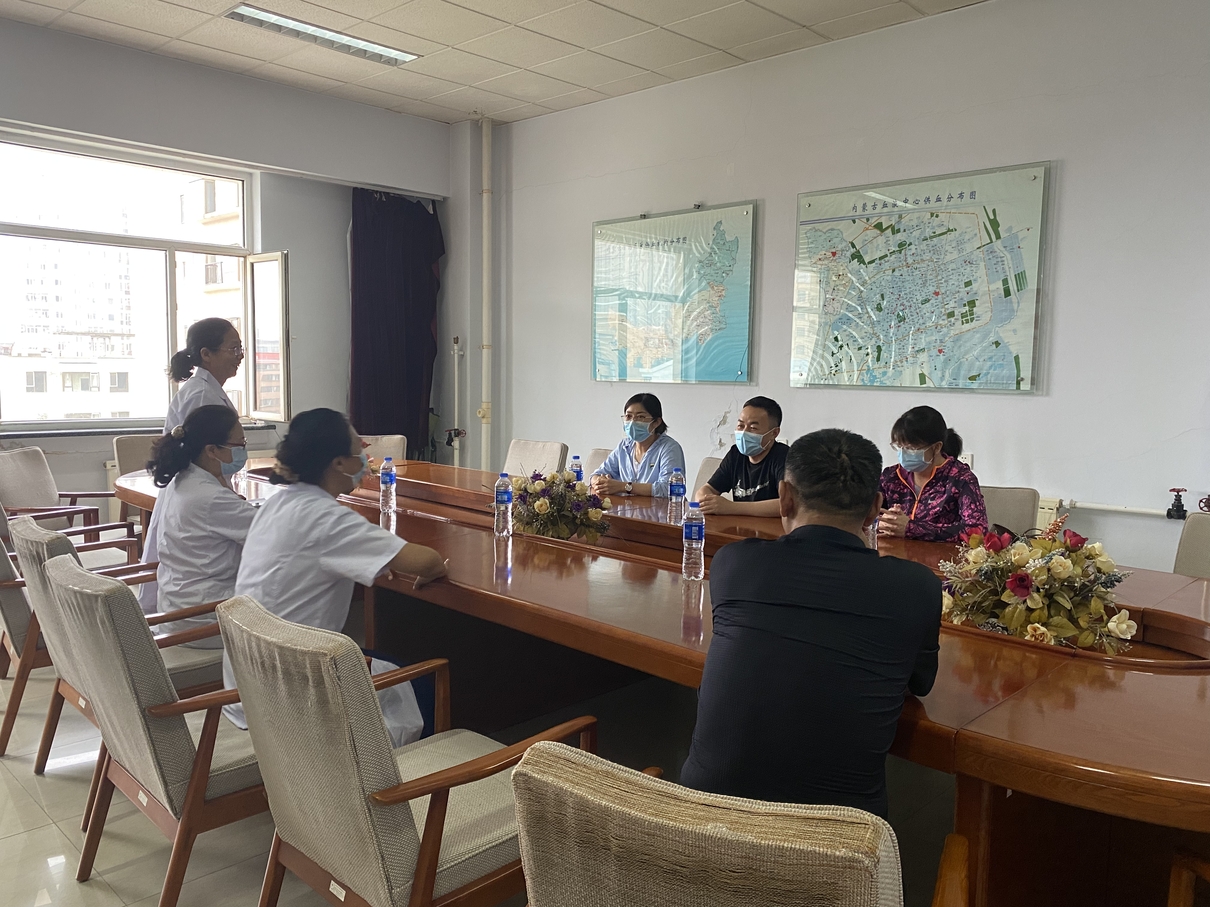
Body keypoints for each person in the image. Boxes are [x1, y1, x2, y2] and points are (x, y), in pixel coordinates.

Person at [680, 428, 941, 818]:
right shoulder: (917, 586)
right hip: (837, 840)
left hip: (702, 821)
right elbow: (919, 683)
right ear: (875, 508)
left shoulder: (735, 563)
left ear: (784, 497)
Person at [223, 408, 448, 745]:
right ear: (339, 462)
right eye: (358, 449)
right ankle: (411, 770)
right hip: (291, 695)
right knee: (424, 683)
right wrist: (429, 565)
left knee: (384, 659)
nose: (365, 457)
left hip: (250, 678)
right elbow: (428, 562)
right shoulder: (327, 519)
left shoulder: (277, 503)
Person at [143, 405, 257, 647]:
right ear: (212, 450)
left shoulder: (183, 479)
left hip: (178, 607)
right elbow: (271, 535)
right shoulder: (210, 497)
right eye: (240, 444)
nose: (243, 451)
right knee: (299, 598)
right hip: (203, 618)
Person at [878, 405, 988, 541]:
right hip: (893, 552)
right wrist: (883, 522)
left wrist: (911, 528)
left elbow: (977, 531)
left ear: (936, 447)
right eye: (899, 447)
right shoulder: (891, 476)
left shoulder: (960, 479)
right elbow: (863, 516)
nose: (903, 453)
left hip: (942, 554)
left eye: (911, 448)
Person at [695, 396, 787, 517]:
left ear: (774, 433)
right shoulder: (736, 454)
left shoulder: (785, 457)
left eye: (753, 428)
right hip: (739, 526)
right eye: (740, 425)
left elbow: (787, 504)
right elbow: (707, 489)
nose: (744, 433)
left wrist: (731, 507)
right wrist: (704, 500)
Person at [589, 393, 686, 498]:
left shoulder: (669, 448)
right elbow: (595, 475)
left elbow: (668, 489)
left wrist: (623, 487)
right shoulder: (624, 446)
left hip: (659, 508)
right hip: (626, 507)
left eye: (640, 417)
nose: (632, 422)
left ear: (656, 422)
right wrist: (600, 483)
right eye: (628, 416)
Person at [165, 317, 242, 433]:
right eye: (233, 349)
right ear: (206, 354)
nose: (240, 355)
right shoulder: (202, 396)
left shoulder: (206, 390)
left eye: (240, 348)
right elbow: (204, 443)